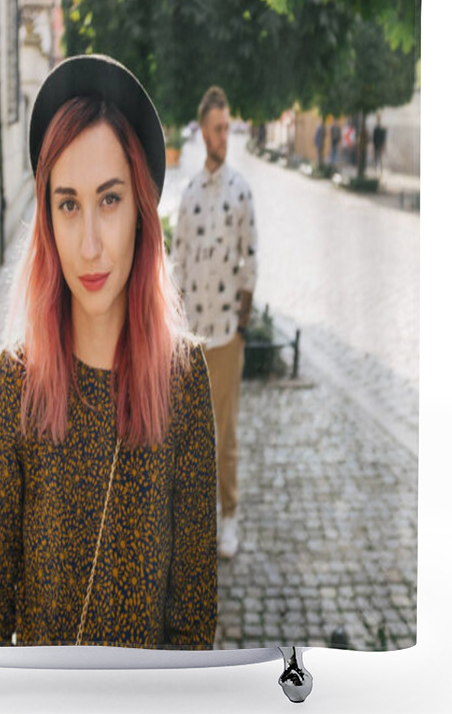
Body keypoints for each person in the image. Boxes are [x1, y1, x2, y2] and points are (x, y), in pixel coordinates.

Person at [0, 55, 217, 649]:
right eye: (68, 204)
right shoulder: (16, 385)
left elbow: (192, 619)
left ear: (140, 213)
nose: (90, 244)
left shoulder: (183, 382)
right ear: (48, 221)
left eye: (109, 200)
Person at [172, 86, 258, 559]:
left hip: (227, 334)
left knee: (225, 432)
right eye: (218, 128)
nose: (224, 135)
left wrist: (242, 325)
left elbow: (251, 260)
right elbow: (178, 264)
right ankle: (198, 516)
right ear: (203, 131)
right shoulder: (188, 196)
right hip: (194, 337)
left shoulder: (241, 191)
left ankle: (230, 516)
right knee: (193, 432)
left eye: (228, 128)